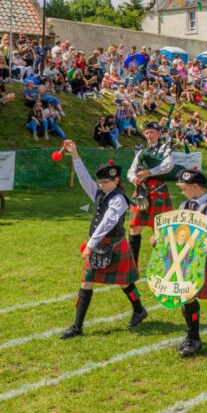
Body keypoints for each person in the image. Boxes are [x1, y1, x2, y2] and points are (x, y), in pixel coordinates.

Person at [60, 140, 149, 339]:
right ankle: (77, 326)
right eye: (100, 182)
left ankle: (139, 309)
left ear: (116, 180)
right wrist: (74, 153)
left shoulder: (119, 199)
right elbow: (84, 179)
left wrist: (90, 245)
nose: (101, 185)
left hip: (114, 245)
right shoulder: (100, 193)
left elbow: (107, 223)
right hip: (99, 245)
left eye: (105, 182)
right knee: (86, 282)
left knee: (125, 283)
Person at [151, 168, 207, 358]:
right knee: (184, 297)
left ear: (197, 187)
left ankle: (195, 339)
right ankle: (191, 337)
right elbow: (175, 231)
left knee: (188, 297)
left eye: (185, 188)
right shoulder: (184, 204)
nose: (183, 192)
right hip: (180, 257)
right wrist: (159, 239)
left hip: (197, 259)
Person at [126, 121, 174, 273]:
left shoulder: (165, 149)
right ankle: (133, 265)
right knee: (134, 226)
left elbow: (168, 166)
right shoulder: (141, 152)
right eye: (147, 132)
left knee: (159, 229)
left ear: (159, 134)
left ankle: (160, 264)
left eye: (153, 132)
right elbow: (131, 170)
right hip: (141, 190)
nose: (150, 135)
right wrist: (133, 178)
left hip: (158, 191)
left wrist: (150, 172)